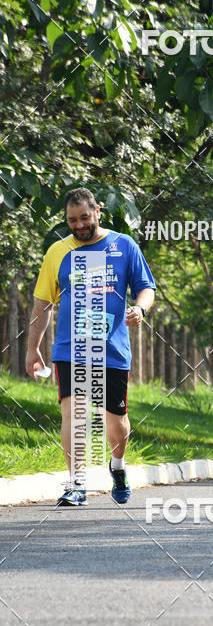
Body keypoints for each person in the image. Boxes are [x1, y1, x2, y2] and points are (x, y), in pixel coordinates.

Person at [26, 187, 155, 506]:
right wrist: (33, 348)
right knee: (74, 413)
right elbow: (42, 303)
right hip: (70, 347)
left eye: (84, 217)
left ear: (98, 211)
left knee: (115, 423)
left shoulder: (123, 245)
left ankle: (118, 466)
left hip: (112, 348)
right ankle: (76, 484)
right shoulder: (57, 251)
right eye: (72, 220)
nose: (79, 225)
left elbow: (146, 288)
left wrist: (139, 309)